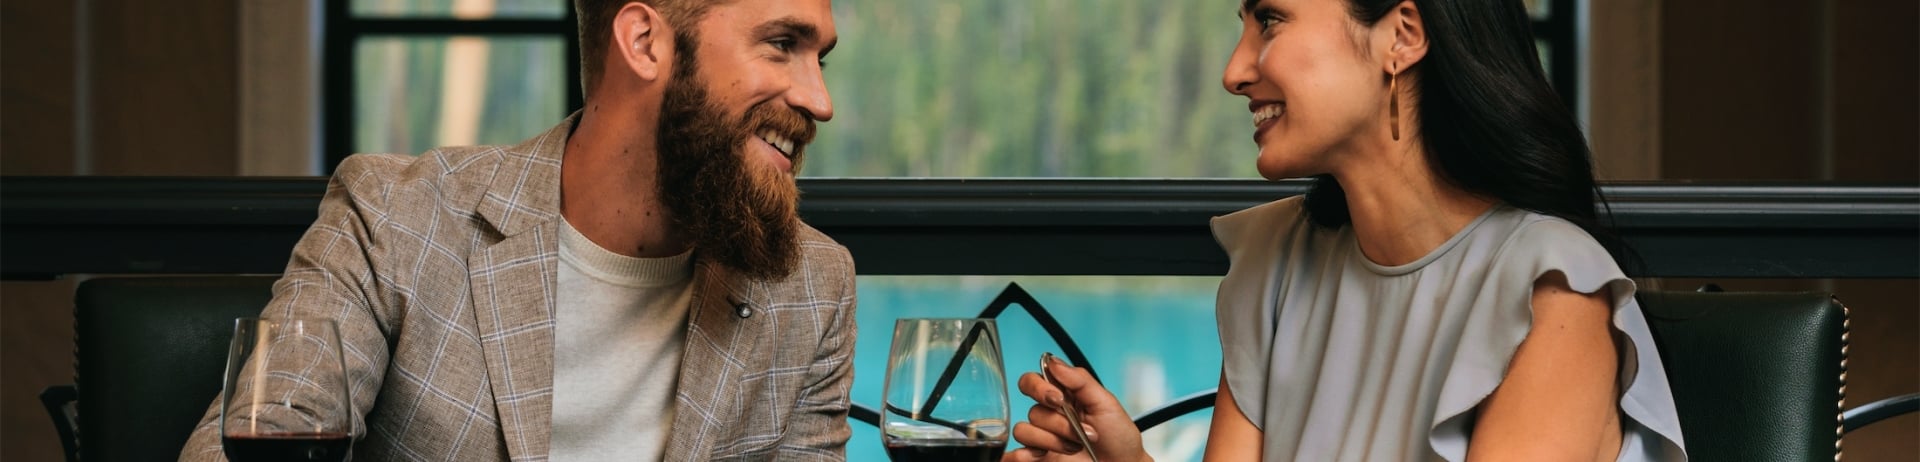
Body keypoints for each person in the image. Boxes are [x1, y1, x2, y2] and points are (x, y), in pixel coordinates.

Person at [1004, 0, 1686, 460]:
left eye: (1270, 21)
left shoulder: (1552, 291)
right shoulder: (1276, 260)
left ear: (1402, 34)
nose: (1235, 71)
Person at [181, 0, 855, 460]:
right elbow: (246, 445)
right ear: (646, 42)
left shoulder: (814, 288)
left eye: (819, 56)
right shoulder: (395, 219)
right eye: (782, 45)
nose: (818, 99)